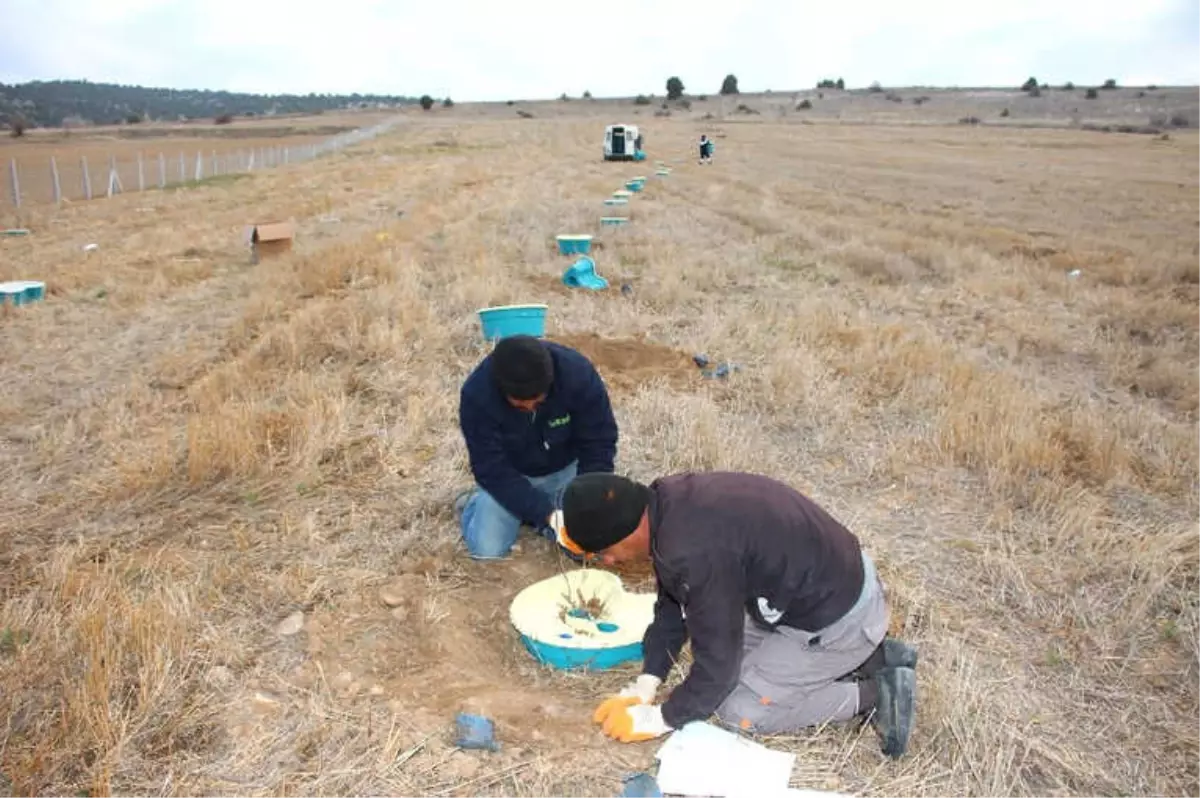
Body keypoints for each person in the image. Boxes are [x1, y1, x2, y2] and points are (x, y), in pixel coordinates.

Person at [558, 471, 919, 758]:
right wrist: (648, 680)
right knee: (734, 660)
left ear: (628, 529)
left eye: (604, 552)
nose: (609, 562)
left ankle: (876, 693)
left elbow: (718, 670)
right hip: (821, 591)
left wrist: (662, 718)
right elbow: (674, 603)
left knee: (738, 709)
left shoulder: (693, 551)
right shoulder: (667, 503)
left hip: (837, 616)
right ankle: (873, 654)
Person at [455, 335, 618, 560]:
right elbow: (491, 468)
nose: (531, 407)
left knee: (588, 546)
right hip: (513, 478)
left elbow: (599, 442)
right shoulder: (477, 396)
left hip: (567, 472)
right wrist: (548, 515)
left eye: (538, 402)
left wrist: (588, 498)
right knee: (487, 551)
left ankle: (538, 514)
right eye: (521, 406)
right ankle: (474, 503)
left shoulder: (576, 374)